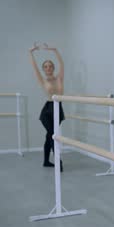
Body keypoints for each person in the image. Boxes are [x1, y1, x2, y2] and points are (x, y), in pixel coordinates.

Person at [29, 42, 65, 171]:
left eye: (50, 66)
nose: (48, 68)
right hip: (47, 111)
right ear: (43, 69)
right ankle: (58, 161)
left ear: (53, 68)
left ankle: (46, 161)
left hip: (58, 108)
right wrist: (31, 52)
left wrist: (54, 50)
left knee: (49, 136)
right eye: (45, 67)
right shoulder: (42, 80)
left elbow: (62, 64)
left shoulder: (59, 78)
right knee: (52, 135)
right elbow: (34, 67)